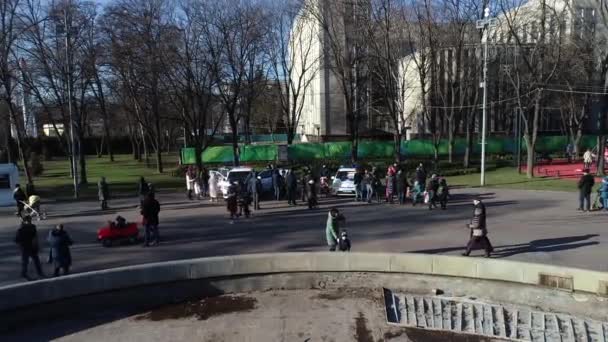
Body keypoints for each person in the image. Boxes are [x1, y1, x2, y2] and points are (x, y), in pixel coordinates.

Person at [15, 216, 44, 280]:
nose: (30, 222)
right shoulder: (21, 230)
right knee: (26, 262)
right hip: (25, 248)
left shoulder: (32, 227)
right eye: (28, 221)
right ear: (24, 221)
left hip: (31, 247)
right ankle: (24, 274)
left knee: (36, 261)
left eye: (30, 220)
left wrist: (36, 245)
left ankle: (39, 273)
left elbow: (35, 237)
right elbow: (17, 240)